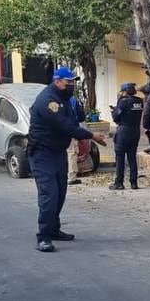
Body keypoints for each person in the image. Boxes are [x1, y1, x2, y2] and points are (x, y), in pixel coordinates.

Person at [27, 67, 108, 253]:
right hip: (42, 154)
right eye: (69, 81)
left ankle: (54, 229)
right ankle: (44, 237)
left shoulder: (64, 98)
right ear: (58, 81)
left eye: (73, 81)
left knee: (60, 193)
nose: (72, 84)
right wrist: (91, 136)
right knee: (49, 195)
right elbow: (65, 126)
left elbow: (75, 119)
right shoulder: (48, 100)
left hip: (58, 152)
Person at [109, 82, 143, 190]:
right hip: (135, 132)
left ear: (124, 91)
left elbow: (116, 117)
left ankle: (119, 183)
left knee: (120, 158)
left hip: (124, 132)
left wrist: (113, 110)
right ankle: (134, 183)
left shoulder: (123, 102)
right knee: (132, 157)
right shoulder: (140, 101)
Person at [66, 94, 85, 186]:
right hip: (71, 130)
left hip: (55, 131)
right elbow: (81, 117)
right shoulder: (73, 100)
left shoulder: (50, 97)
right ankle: (72, 177)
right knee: (71, 153)